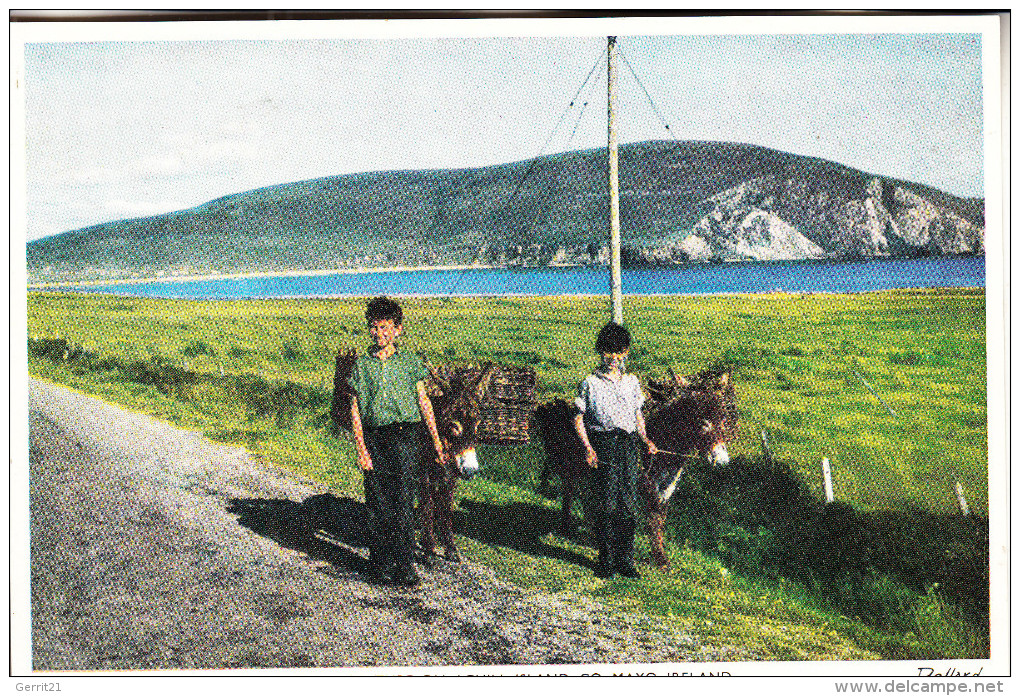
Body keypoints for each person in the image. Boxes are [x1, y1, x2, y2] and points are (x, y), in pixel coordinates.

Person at [348, 297, 444, 587]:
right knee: (378, 502)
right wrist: (361, 448)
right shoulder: (361, 367)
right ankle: (379, 564)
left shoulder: (410, 363)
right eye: (374, 328)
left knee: (403, 500)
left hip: (406, 437)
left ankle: (404, 565)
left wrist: (436, 441)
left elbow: (423, 401)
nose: (380, 333)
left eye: (386, 327)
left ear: (398, 329)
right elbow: (355, 409)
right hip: (375, 438)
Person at [573, 321, 657, 579]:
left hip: (629, 445)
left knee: (628, 504)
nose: (614, 358)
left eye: (619, 352)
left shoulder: (632, 382)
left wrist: (646, 439)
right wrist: (588, 447)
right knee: (607, 503)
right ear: (600, 352)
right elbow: (579, 418)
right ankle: (606, 561)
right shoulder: (589, 383)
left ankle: (626, 561)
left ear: (626, 353)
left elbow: (637, 414)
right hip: (603, 444)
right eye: (608, 351)